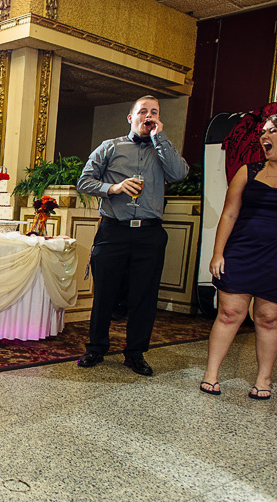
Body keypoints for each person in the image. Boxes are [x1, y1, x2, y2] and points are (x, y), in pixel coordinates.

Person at [76, 95, 189, 376]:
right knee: (105, 294)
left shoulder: (163, 150)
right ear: (131, 117)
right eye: (143, 112)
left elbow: (179, 174)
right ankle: (96, 348)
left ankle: (136, 353)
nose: (148, 116)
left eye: (154, 112)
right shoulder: (110, 147)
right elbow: (84, 181)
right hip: (113, 230)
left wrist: (160, 138)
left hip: (149, 235)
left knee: (144, 296)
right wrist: (114, 188)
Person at [199, 114, 277, 399]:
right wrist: (218, 253)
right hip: (242, 250)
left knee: (269, 318)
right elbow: (229, 213)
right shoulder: (249, 170)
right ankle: (211, 374)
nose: (264, 136)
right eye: (263, 131)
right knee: (230, 313)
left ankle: (263, 380)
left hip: (275, 257)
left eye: (272, 131)